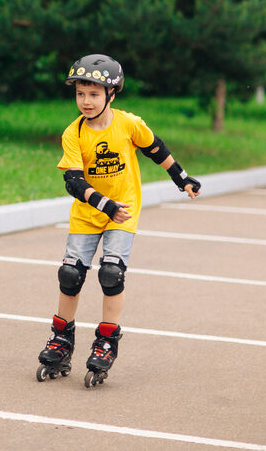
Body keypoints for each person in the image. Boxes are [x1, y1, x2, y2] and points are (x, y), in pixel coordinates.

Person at [36, 54, 201, 386]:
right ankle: (61, 337)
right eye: (81, 93)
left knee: (111, 273)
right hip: (88, 214)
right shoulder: (73, 133)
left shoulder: (128, 124)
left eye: (94, 94)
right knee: (70, 274)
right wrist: (103, 204)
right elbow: (74, 181)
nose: (85, 101)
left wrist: (181, 178)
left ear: (111, 94)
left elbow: (156, 149)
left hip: (122, 212)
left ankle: (106, 340)